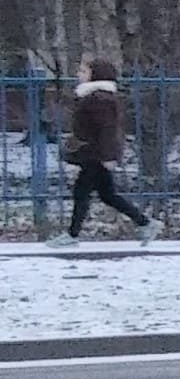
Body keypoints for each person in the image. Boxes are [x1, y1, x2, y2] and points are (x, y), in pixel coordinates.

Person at [64, 59, 155, 244]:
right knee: (108, 195)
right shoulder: (94, 97)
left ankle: (71, 236)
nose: (78, 74)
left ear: (95, 75)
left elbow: (107, 129)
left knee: (82, 192)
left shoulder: (99, 99)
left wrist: (107, 156)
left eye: (83, 71)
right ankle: (145, 223)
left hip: (96, 154)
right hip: (94, 153)